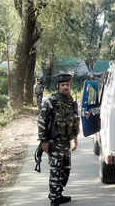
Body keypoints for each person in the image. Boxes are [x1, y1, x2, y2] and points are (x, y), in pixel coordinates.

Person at [38, 73, 79, 206]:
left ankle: (58, 193)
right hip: (54, 142)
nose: (66, 87)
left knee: (65, 170)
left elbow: (75, 121)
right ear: (58, 86)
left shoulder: (71, 101)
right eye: (63, 85)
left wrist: (75, 139)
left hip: (66, 143)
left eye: (67, 85)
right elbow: (42, 120)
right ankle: (54, 199)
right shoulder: (51, 101)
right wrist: (43, 140)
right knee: (56, 170)